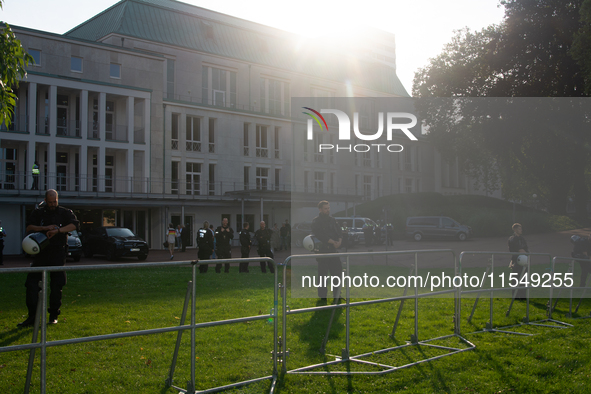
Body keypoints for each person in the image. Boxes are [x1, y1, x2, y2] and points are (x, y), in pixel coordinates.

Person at [18, 189, 79, 327]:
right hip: (41, 254)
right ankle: (32, 317)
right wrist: (45, 228)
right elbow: (29, 227)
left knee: (57, 285)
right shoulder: (38, 212)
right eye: (50, 202)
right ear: (45, 200)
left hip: (58, 253)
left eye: (55, 201)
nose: (52, 204)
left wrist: (57, 230)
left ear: (58, 200)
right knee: (31, 285)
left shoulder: (64, 212)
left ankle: (53, 315)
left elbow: (74, 225)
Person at [311, 201, 343, 302]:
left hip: (333, 251)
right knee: (322, 276)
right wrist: (333, 242)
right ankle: (323, 297)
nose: (328, 210)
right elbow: (320, 235)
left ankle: (337, 295)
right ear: (320, 209)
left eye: (328, 208)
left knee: (337, 274)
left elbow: (339, 231)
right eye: (325, 208)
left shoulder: (332, 220)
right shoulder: (316, 221)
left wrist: (339, 241)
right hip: (323, 251)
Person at [508, 223, 529, 300]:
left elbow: (526, 249)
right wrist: (522, 251)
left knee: (524, 278)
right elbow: (517, 249)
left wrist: (526, 253)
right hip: (516, 260)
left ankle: (523, 296)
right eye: (519, 229)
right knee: (515, 278)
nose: (521, 230)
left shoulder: (522, 239)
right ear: (515, 229)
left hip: (524, 261)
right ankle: (515, 296)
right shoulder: (512, 238)